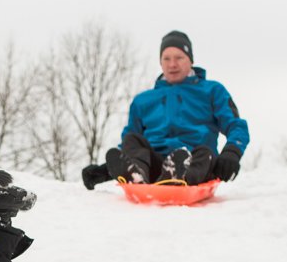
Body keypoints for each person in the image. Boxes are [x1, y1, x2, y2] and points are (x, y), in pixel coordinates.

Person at [79, 30, 250, 188]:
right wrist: (105, 170)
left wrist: (232, 152)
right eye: (166, 59)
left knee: (204, 153)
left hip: (196, 161)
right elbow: (129, 146)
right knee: (132, 139)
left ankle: (179, 175)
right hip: (154, 164)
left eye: (179, 57)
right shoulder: (143, 101)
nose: (172, 64)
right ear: (160, 62)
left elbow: (236, 125)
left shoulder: (212, 91)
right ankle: (137, 174)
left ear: (190, 60)